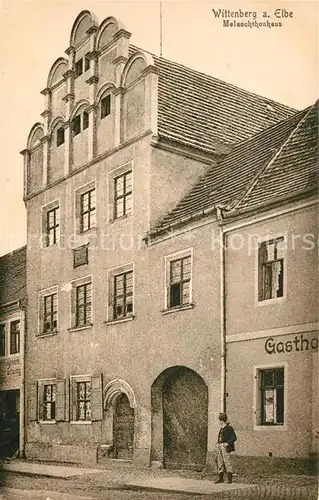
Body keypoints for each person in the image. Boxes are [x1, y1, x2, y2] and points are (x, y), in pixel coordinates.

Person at [214, 412, 237, 484]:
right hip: (219, 446)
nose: (219, 421)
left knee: (227, 461)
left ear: (222, 420)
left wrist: (227, 443)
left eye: (219, 420)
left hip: (224, 447)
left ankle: (230, 479)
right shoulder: (221, 428)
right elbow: (220, 438)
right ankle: (221, 478)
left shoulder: (229, 428)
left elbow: (234, 437)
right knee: (220, 461)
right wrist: (217, 444)